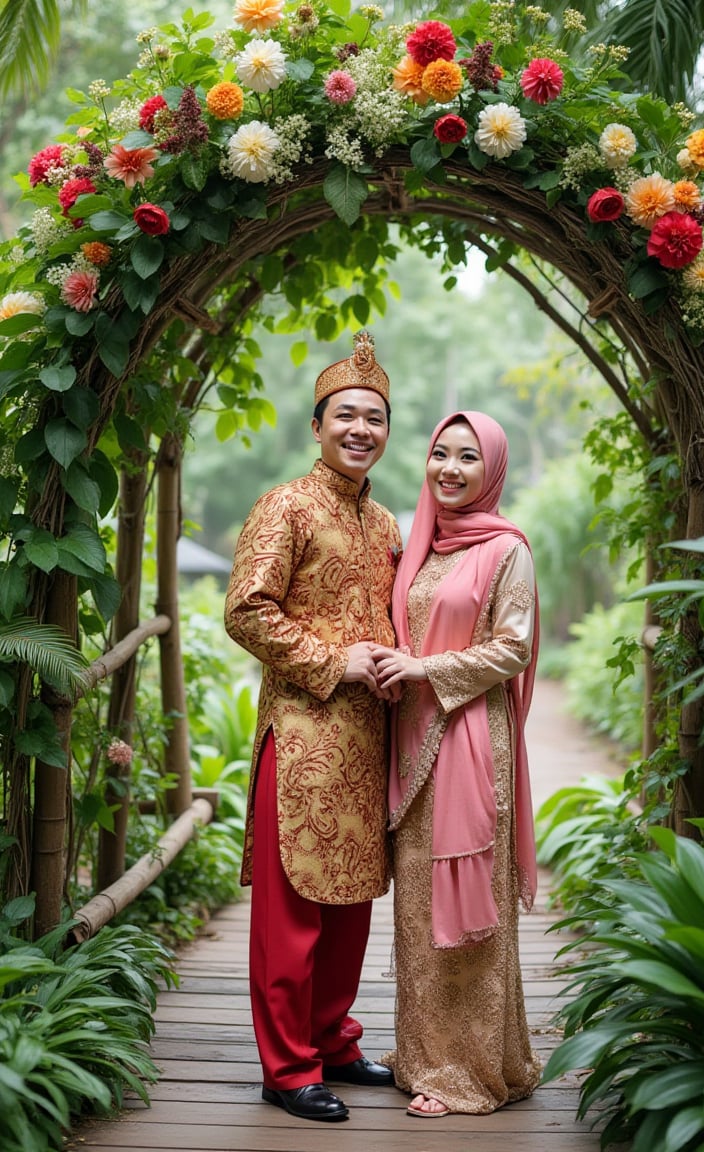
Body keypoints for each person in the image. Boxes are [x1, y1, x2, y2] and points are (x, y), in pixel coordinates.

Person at [224, 331, 401, 1123]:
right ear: (317, 424)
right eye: (346, 415)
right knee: (293, 915)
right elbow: (245, 610)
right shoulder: (285, 506)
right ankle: (287, 1068)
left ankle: (333, 1039)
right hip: (301, 737)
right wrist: (337, 662)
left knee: (350, 908)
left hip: (368, 744)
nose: (360, 429)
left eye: (375, 417)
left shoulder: (388, 523)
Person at [371, 410, 541, 1118]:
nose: (449, 468)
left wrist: (421, 667)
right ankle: (424, 1055)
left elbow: (513, 648)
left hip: (472, 739)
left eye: (467, 457)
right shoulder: (424, 545)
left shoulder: (507, 550)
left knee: (469, 909)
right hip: (415, 738)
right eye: (440, 453)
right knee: (417, 906)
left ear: (491, 469)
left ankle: (464, 1072)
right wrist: (392, 672)